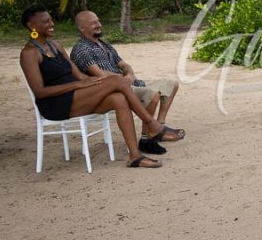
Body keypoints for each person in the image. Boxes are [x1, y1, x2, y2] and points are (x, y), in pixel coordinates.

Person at [19, 6, 165, 168]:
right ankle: (151, 124)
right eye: (46, 22)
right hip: (56, 103)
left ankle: (135, 156)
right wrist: (79, 84)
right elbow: (39, 92)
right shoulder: (29, 53)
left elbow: (80, 76)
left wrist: (93, 82)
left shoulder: (55, 45)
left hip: (76, 95)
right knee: (117, 80)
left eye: (51, 19)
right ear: (32, 26)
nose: (52, 23)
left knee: (118, 98)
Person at [70, 11, 184, 155]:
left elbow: (123, 64)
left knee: (171, 84)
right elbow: (99, 74)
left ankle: (159, 127)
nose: (98, 25)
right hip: (112, 90)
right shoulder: (81, 49)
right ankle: (146, 139)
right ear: (82, 28)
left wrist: (129, 73)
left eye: (98, 21)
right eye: (93, 23)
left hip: (128, 82)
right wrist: (122, 79)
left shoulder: (104, 44)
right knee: (153, 94)